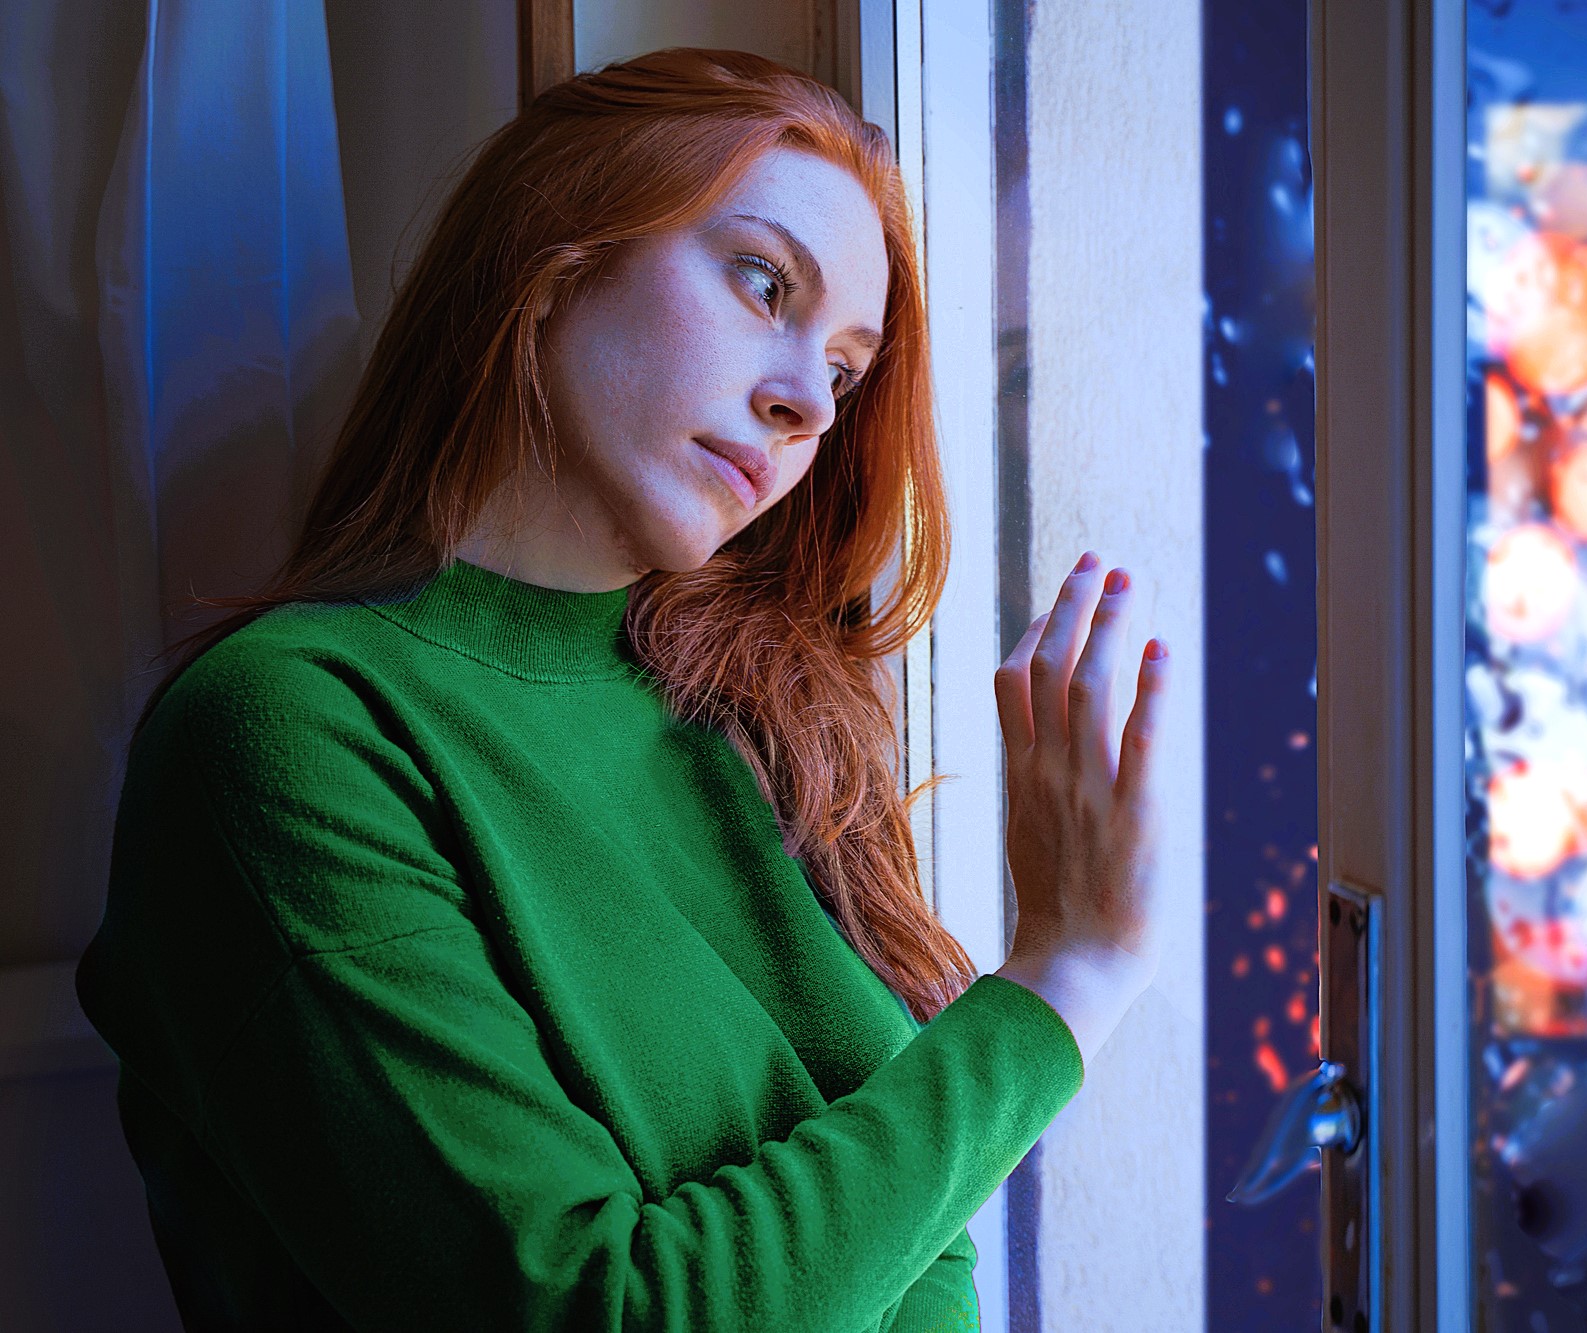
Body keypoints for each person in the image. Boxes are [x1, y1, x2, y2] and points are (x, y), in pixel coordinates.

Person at [74, 46, 1169, 1332]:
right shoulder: (284, 734)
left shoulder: (757, 718)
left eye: (845, 371)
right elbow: (598, 1313)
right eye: (764, 283)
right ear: (558, 254)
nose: (801, 403)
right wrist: (1059, 988)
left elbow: (914, 1257)